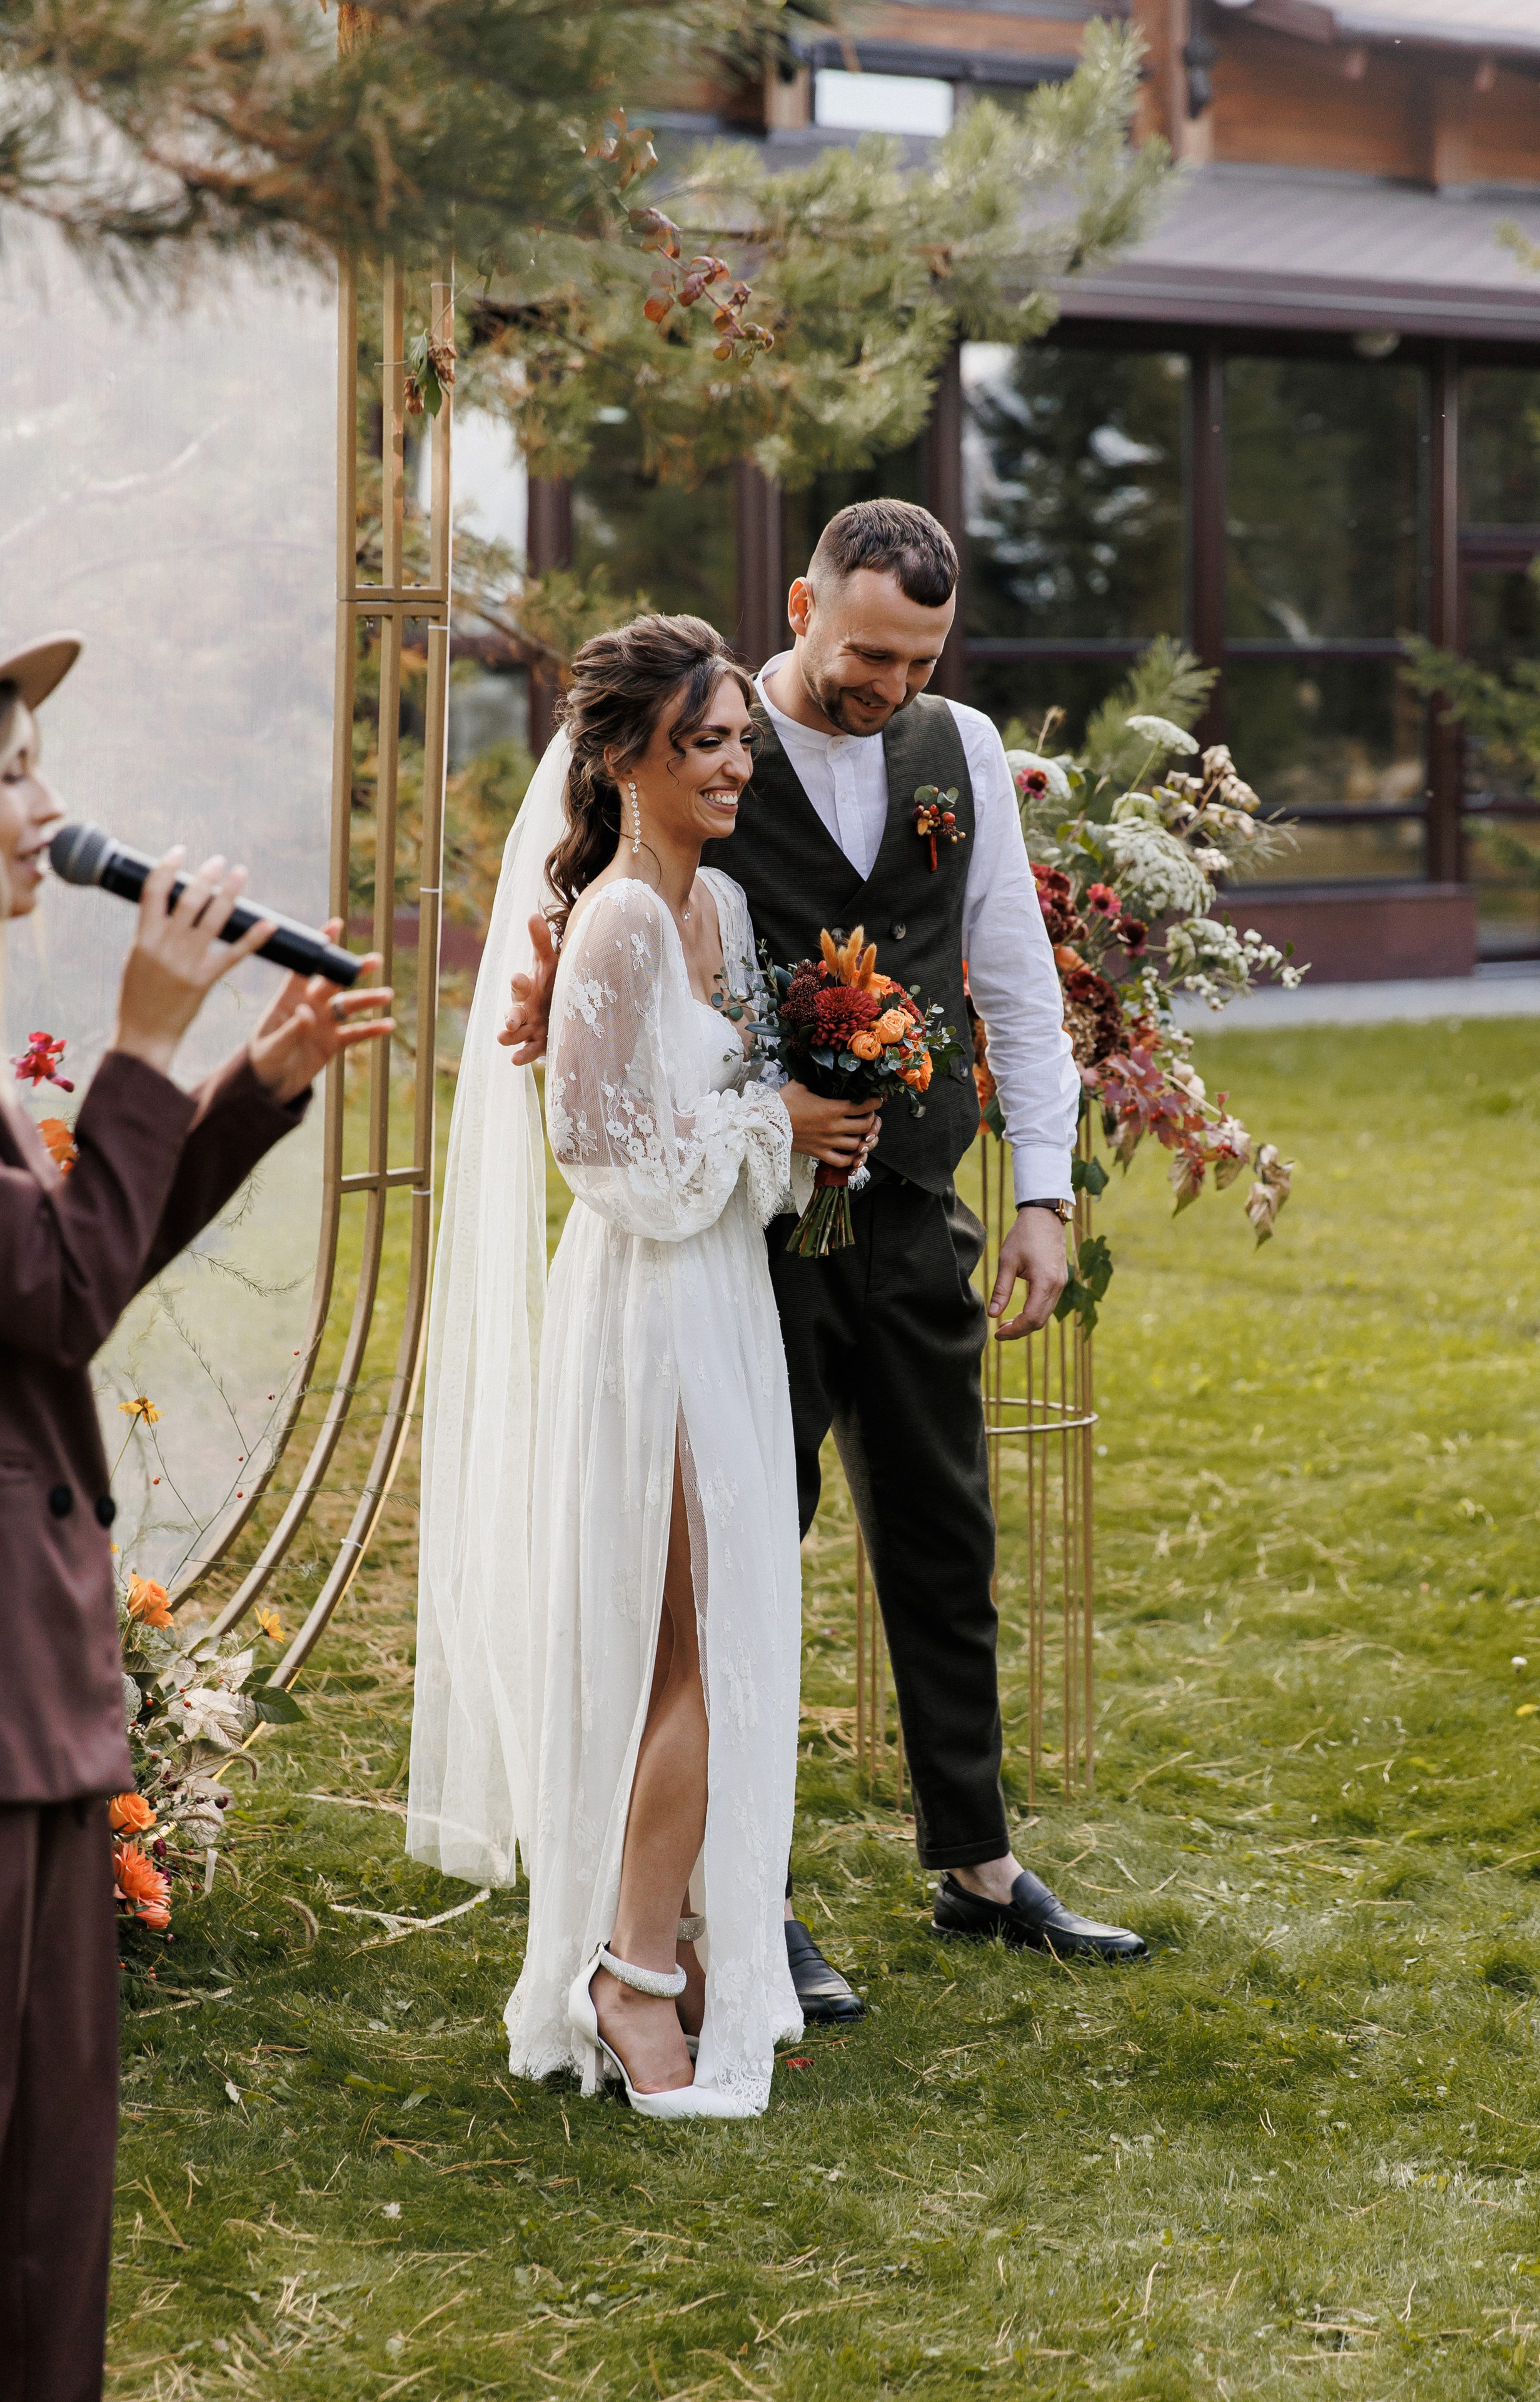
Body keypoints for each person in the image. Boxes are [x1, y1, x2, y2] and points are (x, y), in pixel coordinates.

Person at [500, 504, 1147, 2019]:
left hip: (913, 1205)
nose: (888, 682)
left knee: (944, 1533)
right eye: (865, 651)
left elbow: (1007, 978)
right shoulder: (707, 746)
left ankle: (979, 1863)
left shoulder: (962, 749)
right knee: (736, 1566)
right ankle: (745, 1896)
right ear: (799, 604)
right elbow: (605, 923)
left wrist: (1041, 1196)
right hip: (749, 1236)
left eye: (920, 657)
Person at [409, 615, 873, 2117]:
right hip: (644, 1309)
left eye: (741, 736)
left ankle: (657, 1932)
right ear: (621, 759)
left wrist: (809, 1135)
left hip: (723, 1296)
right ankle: (627, 1976)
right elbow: (603, 1159)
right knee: (690, 1649)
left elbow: (726, 1115)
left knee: (723, 1635)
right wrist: (774, 1132)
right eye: (705, 741)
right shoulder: (607, 923)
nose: (736, 762)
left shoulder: (725, 915)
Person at [0, 628, 392, 2401]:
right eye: (11, 774)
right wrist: (151, 1035)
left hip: (35, 1711)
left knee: (49, 2200)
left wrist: (245, 1086)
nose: (51, 809)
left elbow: (63, 1275)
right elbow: (63, 1302)